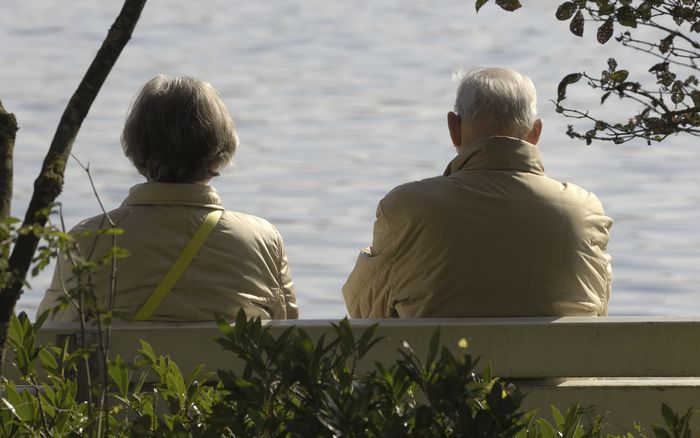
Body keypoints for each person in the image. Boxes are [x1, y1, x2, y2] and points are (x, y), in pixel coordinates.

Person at [343, 67, 612, 318]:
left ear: (454, 128)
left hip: (442, 370)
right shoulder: (583, 210)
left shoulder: (409, 207)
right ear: (535, 132)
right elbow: (599, 306)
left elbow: (362, 309)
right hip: (558, 369)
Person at [38, 75, 298, 322]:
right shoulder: (263, 240)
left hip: (123, 370)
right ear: (220, 151)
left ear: (135, 146)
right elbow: (288, 336)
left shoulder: (89, 240)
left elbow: (49, 338)